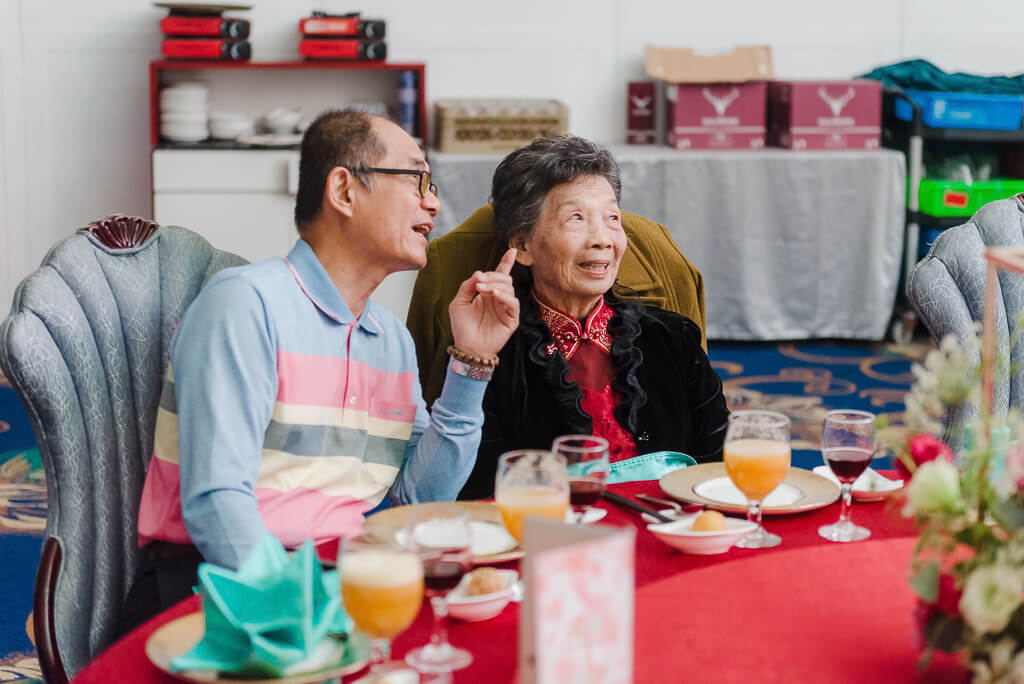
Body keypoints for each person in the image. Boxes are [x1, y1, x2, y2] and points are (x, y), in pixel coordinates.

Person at [118, 110, 519, 633]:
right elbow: (217, 503)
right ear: (344, 190)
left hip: (343, 580)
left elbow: (417, 498)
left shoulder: (390, 341)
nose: (433, 201)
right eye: (416, 177)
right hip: (217, 586)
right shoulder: (246, 304)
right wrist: (304, 614)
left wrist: (471, 362)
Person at [459, 135, 729, 500]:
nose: (603, 238)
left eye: (612, 218)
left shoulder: (672, 337)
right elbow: (480, 490)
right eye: (576, 218)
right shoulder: (495, 349)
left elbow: (720, 463)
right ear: (523, 246)